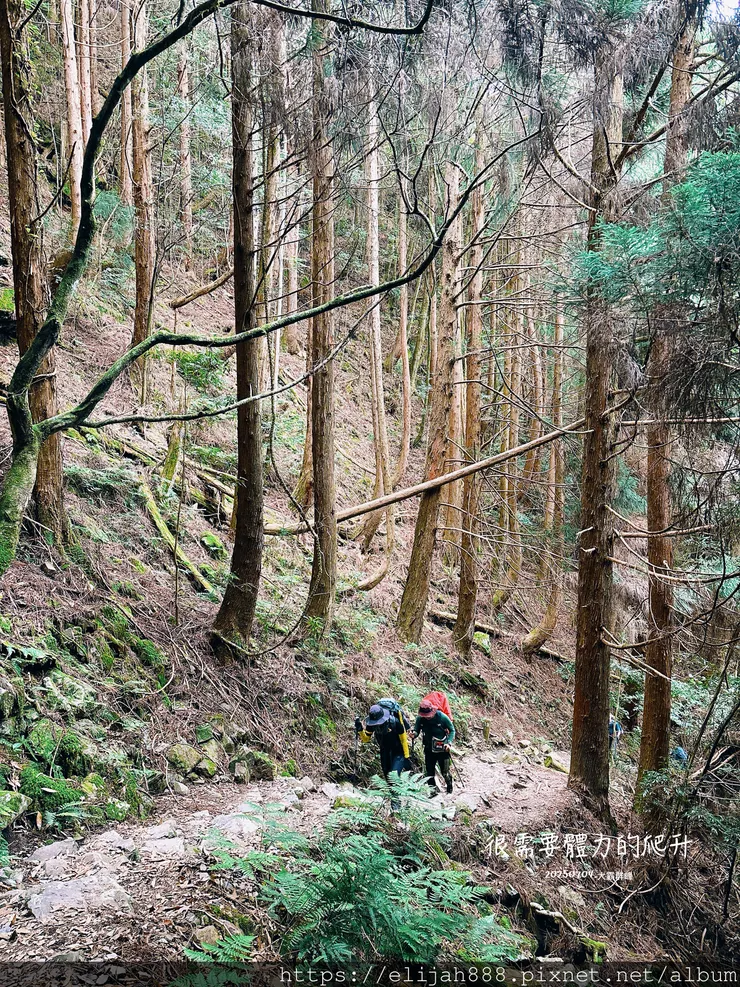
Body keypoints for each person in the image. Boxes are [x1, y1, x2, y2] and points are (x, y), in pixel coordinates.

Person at [355, 702, 411, 782]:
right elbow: (366, 739)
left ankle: (399, 793)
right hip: (384, 750)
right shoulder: (371, 724)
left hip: (398, 751)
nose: (377, 724)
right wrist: (360, 729)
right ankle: (393, 793)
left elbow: (403, 740)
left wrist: (406, 757)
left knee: (394, 776)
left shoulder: (395, 722)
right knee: (387, 776)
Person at [410, 698, 455, 795]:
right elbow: (417, 730)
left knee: (445, 772)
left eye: (428, 715)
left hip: (443, 749)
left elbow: (452, 730)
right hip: (429, 749)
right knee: (429, 772)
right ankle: (433, 792)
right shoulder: (420, 719)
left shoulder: (442, 717)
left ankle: (449, 788)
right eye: (425, 716)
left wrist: (449, 742)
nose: (427, 717)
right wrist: (414, 734)